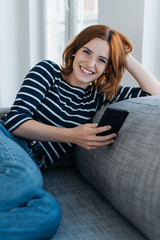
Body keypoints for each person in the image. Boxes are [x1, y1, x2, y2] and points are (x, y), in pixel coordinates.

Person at [0, 24, 160, 240]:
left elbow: (154, 94)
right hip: (9, 143)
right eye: (87, 52)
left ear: (108, 67)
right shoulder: (48, 71)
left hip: (34, 165)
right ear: (75, 50)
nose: (90, 64)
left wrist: (126, 57)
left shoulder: (98, 96)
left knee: (48, 214)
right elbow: (16, 121)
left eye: (102, 60)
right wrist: (71, 135)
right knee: (25, 178)